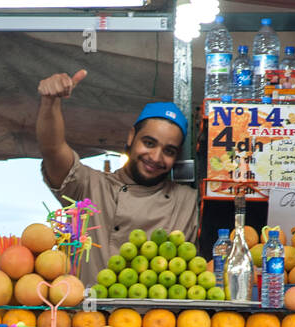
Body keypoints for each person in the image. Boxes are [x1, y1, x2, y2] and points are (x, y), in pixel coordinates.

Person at [36, 69, 199, 289]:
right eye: (149, 143)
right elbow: (53, 149)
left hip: (158, 321)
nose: (155, 157)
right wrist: (50, 103)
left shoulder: (188, 202)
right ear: (131, 137)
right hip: (89, 319)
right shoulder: (89, 187)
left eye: (168, 151)